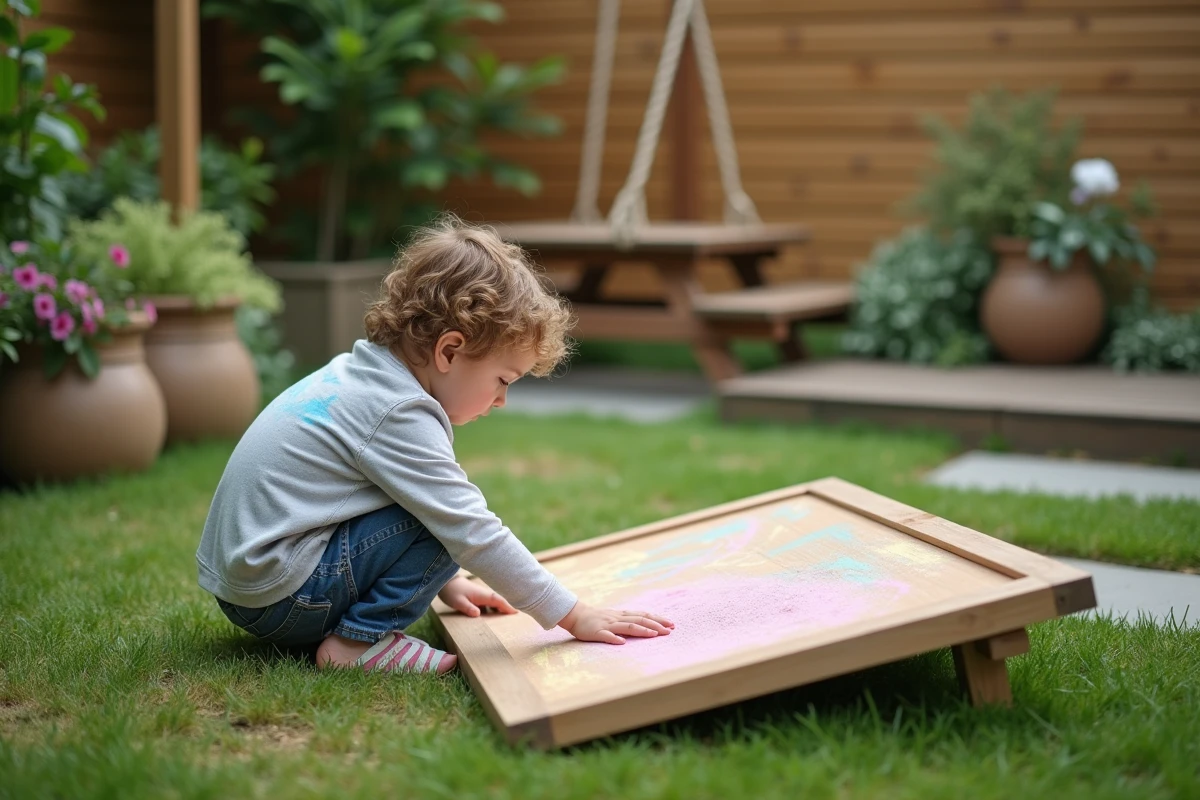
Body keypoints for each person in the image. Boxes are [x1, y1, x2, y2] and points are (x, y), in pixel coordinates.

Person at [196, 216, 673, 675]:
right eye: (503, 379)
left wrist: (446, 583)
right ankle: (356, 644)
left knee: (434, 507)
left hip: (249, 587)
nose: (503, 400)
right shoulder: (397, 410)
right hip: (285, 597)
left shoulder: (362, 377)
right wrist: (572, 614)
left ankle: (357, 629)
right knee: (450, 516)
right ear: (449, 350)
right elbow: (471, 530)